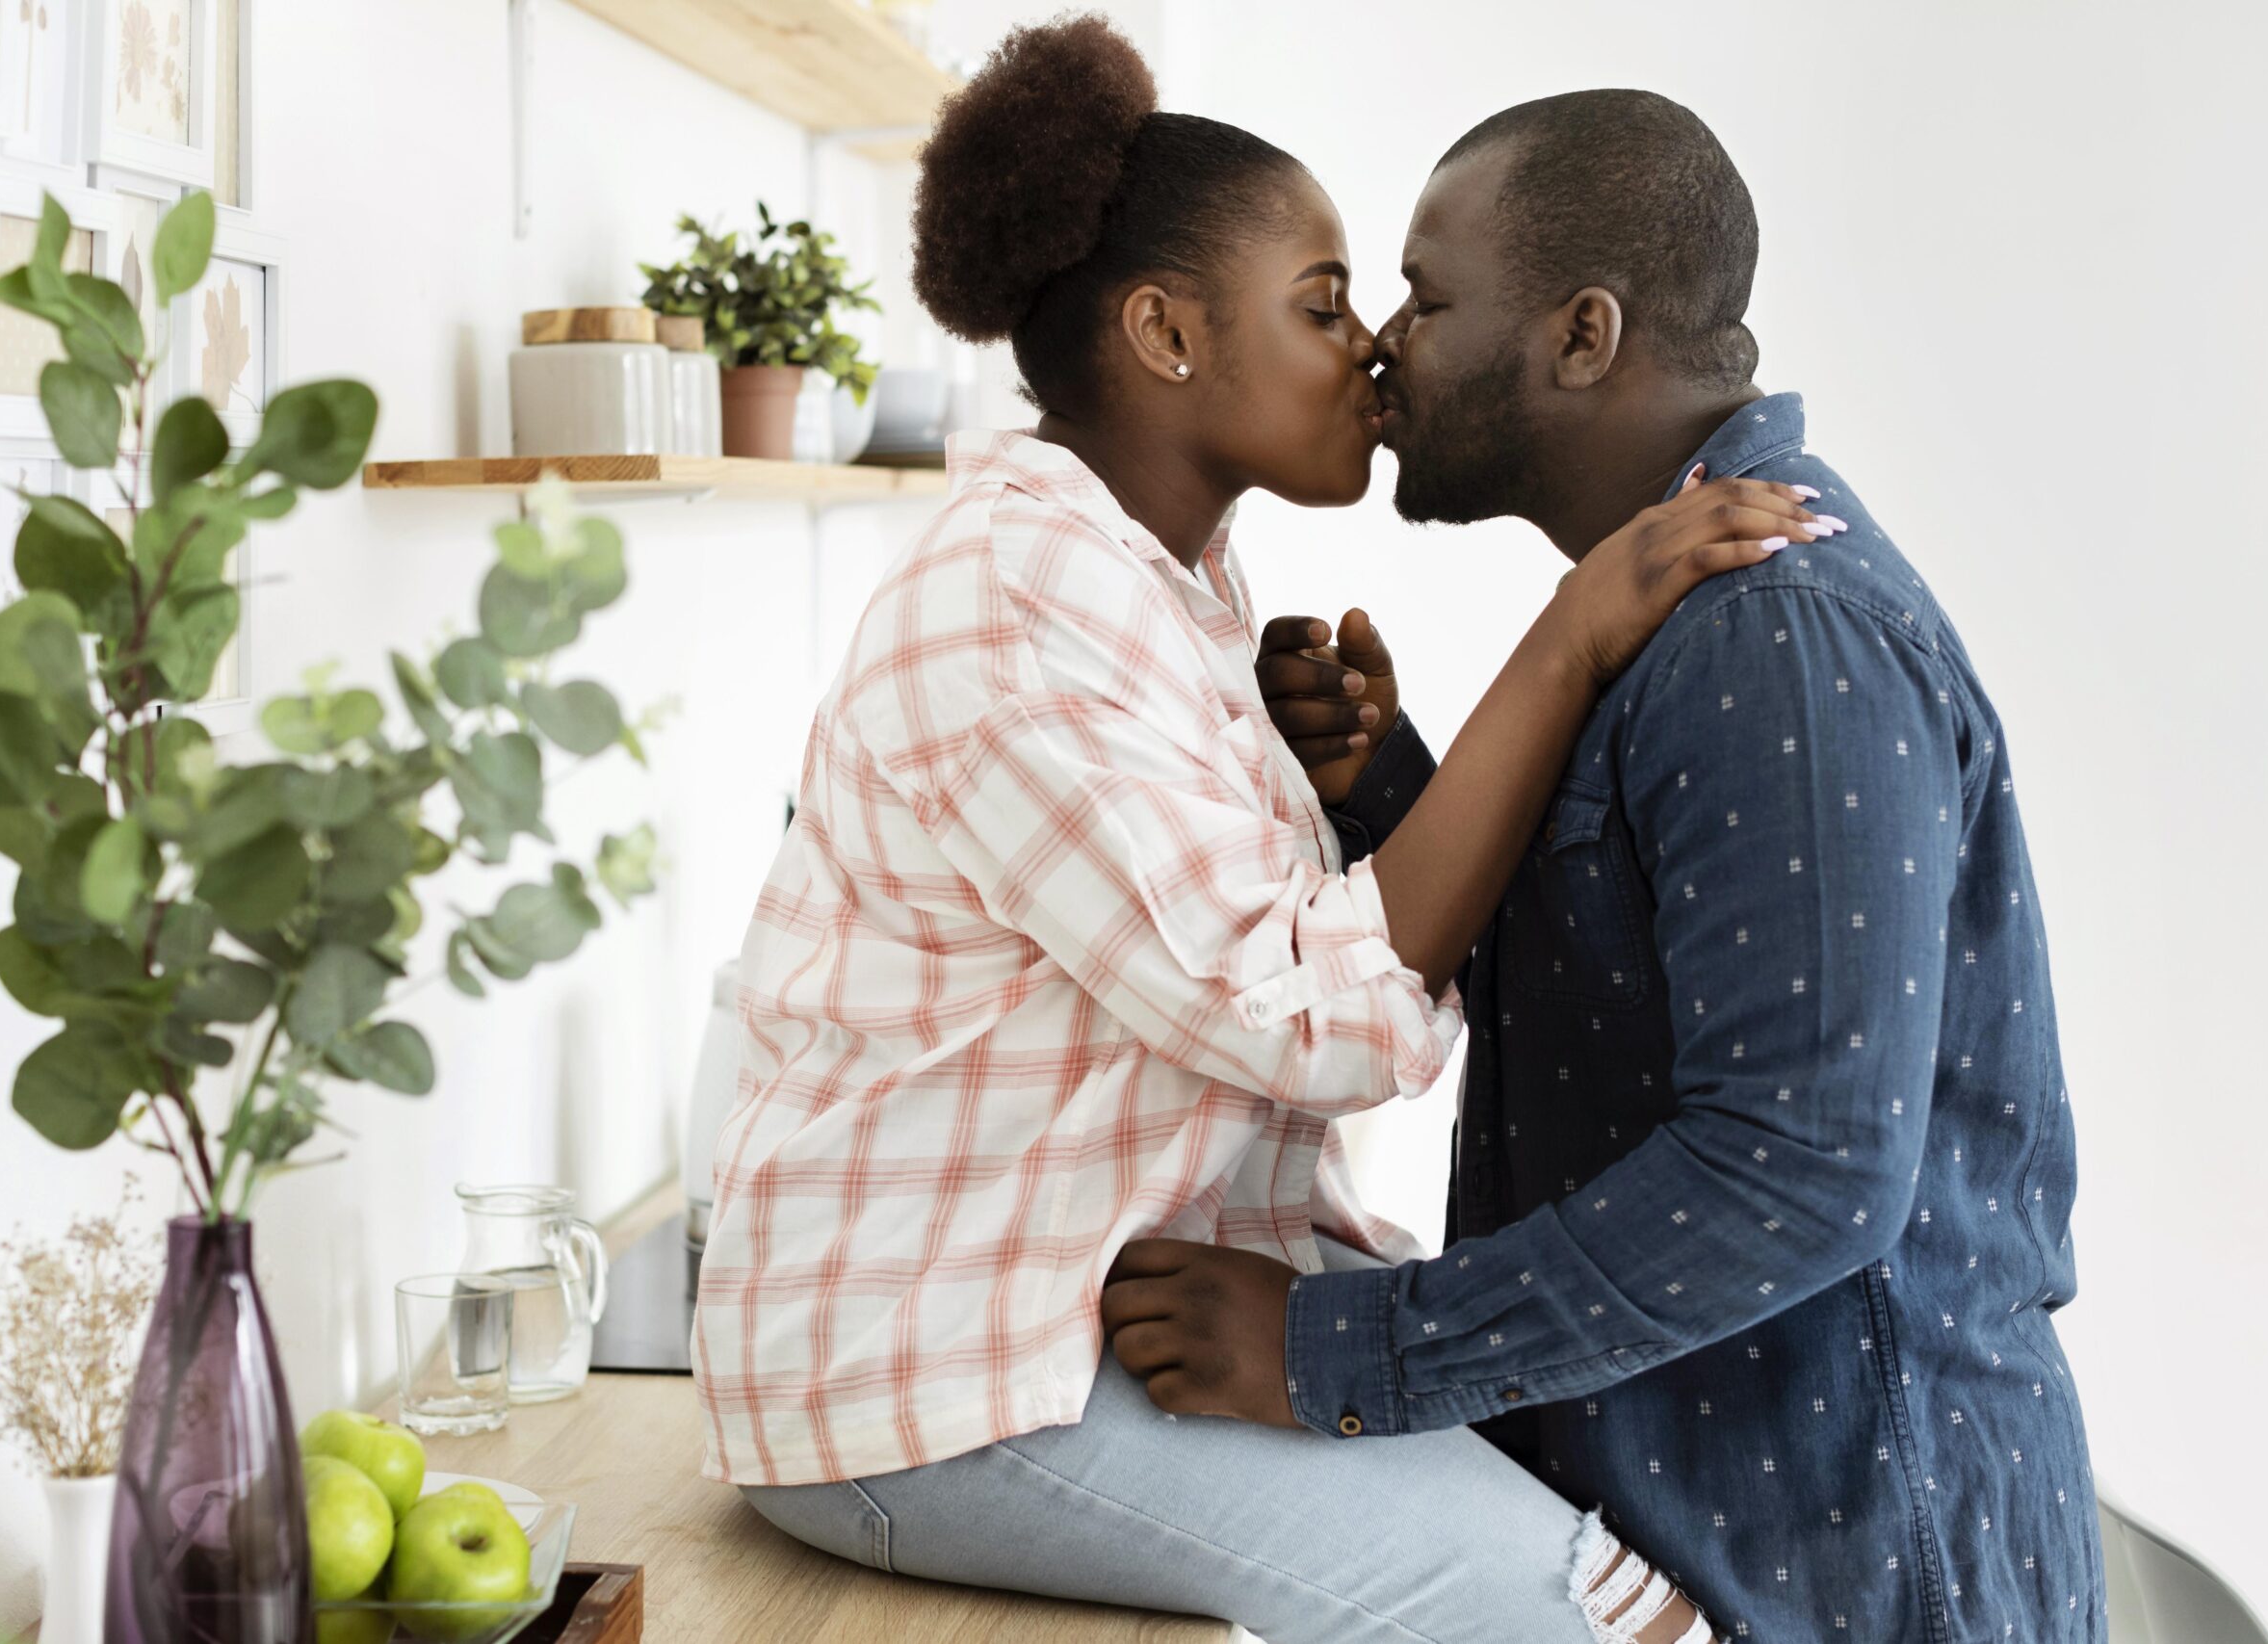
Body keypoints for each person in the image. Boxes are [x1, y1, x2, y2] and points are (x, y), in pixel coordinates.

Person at [687, 20, 1838, 1644]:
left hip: (1067, 1321)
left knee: (1595, 1474)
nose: (1374, 348)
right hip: (926, 1386)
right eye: (1323, 303)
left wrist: (1360, 780)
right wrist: (1572, 636)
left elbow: (1276, 955)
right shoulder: (1019, 616)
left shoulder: (1164, 588)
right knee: (1605, 1619)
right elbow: (1310, 1019)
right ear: (1166, 334)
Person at [1105, 91, 2104, 1642]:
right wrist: (1396, 796)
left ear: (1581, 337)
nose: (1385, 346)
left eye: (1429, 301)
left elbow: (1801, 1172)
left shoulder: (1776, 628)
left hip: (1848, 1568)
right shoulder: (1672, 610)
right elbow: (1639, 1006)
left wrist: (1332, 1351)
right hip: (1731, 1531)